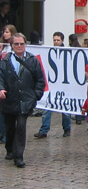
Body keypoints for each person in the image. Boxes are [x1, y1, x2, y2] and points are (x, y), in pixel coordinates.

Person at [0, 33, 45, 168]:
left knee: (20, 126)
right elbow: (0, 77)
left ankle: (18, 156)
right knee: (10, 127)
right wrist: (1, 89)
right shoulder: (5, 61)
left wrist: (35, 95)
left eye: (22, 44)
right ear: (12, 45)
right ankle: (10, 149)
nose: (19, 46)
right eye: (16, 44)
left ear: (25, 44)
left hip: (25, 101)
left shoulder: (32, 60)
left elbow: (40, 79)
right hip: (9, 100)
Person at [34, 32, 72, 138]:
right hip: (52, 84)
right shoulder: (49, 51)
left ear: (62, 41)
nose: (56, 42)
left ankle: (67, 129)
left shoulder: (67, 52)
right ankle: (44, 130)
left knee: (65, 109)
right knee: (47, 108)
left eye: (58, 40)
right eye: (54, 40)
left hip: (64, 85)